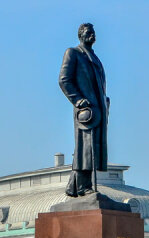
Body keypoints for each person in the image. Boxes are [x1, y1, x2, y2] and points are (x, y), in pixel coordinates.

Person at [59, 22, 110, 197]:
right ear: (80, 35)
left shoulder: (95, 58)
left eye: (94, 32)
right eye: (89, 32)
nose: (92, 35)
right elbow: (64, 80)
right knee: (85, 148)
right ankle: (82, 187)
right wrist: (78, 100)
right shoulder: (73, 53)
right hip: (85, 111)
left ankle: (74, 186)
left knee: (93, 148)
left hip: (99, 109)